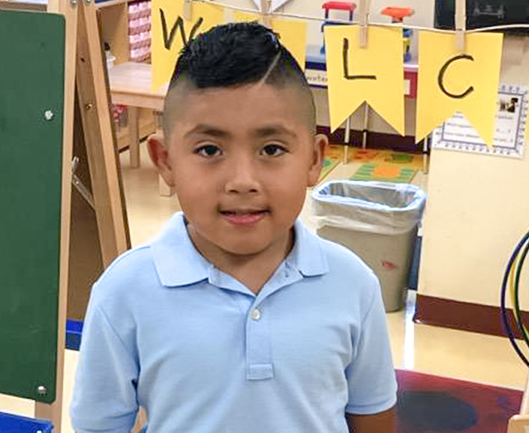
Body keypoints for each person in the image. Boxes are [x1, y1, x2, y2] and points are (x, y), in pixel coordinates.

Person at [71, 22, 397, 433]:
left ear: (314, 160)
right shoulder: (123, 292)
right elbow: (99, 426)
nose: (242, 179)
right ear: (166, 161)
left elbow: (373, 415)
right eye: (210, 149)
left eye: (272, 149)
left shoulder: (353, 285)